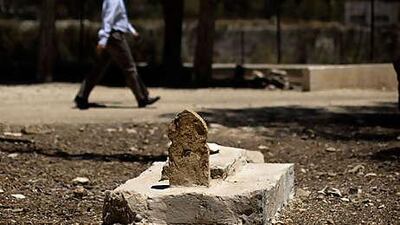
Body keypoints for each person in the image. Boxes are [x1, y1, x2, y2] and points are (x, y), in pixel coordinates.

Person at [74, 0, 160, 109]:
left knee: (99, 68)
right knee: (129, 67)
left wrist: (132, 31)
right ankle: (142, 98)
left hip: (112, 36)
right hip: (115, 37)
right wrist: (103, 40)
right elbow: (108, 19)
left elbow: (120, 18)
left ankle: (81, 96)